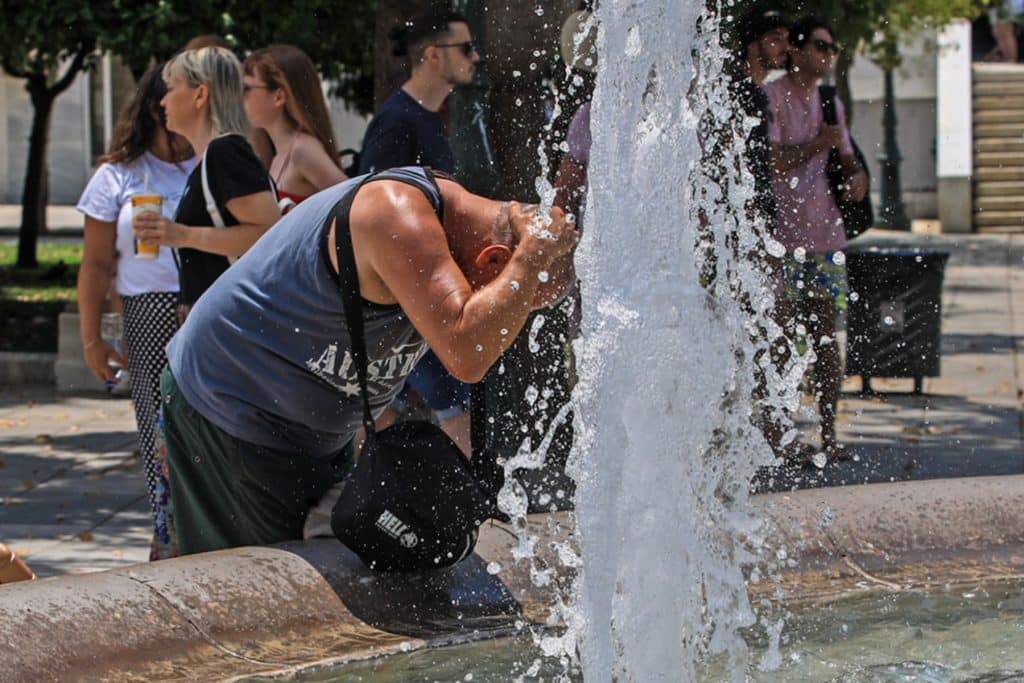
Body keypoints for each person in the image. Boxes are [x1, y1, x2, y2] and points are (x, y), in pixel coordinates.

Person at [159, 166, 578, 555]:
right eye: (510, 307)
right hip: (230, 406)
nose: (506, 330)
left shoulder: (447, 233)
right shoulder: (396, 213)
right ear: (494, 259)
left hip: (310, 433)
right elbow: (467, 353)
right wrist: (531, 259)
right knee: (251, 596)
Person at [76, 62, 195, 559]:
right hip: (146, 312)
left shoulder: (211, 163)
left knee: (206, 421)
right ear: (154, 109)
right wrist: (92, 339)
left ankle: (206, 526)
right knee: (157, 425)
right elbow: (97, 263)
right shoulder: (117, 176)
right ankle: (166, 533)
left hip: (205, 303)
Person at [357, 9, 482, 455]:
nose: (476, 57)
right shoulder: (397, 123)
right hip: (408, 295)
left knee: (441, 405)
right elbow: (370, 212)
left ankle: (407, 504)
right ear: (432, 55)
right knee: (450, 409)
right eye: (465, 48)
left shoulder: (425, 117)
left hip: (419, 291)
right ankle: (439, 510)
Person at [764, 16, 869, 461]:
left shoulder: (830, 102)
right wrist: (817, 144)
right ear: (799, 51)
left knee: (826, 339)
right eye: (821, 47)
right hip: (784, 239)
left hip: (826, 235)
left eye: (832, 49)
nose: (827, 56)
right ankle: (783, 438)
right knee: (782, 339)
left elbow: (844, 156)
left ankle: (829, 436)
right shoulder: (772, 96)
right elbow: (771, 162)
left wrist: (857, 176)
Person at [133, 47, 280, 320]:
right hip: (222, 323)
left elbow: (268, 235)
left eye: (170, 89)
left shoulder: (224, 152)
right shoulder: (213, 157)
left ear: (200, 95)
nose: (162, 102)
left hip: (236, 325)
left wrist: (181, 235)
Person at [242, 45, 347, 213]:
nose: (240, 97)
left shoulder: (303, 149)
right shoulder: (280, 154)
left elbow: (352, 200)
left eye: (246, 89)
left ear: (279, 96)